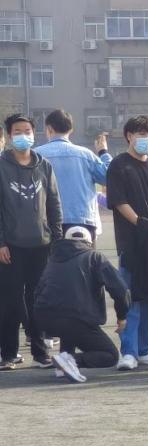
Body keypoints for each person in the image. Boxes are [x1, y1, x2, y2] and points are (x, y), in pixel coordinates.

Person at [105, 115, 148, 371]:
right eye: (142, 134)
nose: (147, 140)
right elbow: (119, 201)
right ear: (129, 136)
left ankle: (144, 349)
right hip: (131, 244)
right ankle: (129, 352)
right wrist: (142, 223)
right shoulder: (119, 166)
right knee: (130, 298)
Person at [0, 113, 63, 370]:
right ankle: (8, 354)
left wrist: (57, 238)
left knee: (38, 300)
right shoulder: (2, 166)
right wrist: (1, 242)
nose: (23, 136)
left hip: (42, 244)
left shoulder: (44, 165)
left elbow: (54, 202)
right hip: (10, 247)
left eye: (27, 131)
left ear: (34, 133)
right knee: (10, 300)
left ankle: (40, 352)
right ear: (8, 136)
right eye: (17, 132)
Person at [33, 226, 129, 382]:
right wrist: (122, 316)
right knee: (110, 355)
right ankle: (70, 360)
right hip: (75, 317)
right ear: (89, 242)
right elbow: (120, 290)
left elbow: (38, 291)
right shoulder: (94, 257)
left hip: (44, 317)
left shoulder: (54, 258)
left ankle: (64, 365)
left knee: (70, 326)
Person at [34, 109, 111, 240]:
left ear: (49, 129)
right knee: (83, 254)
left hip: (45, 220)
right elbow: (109, 176)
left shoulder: (35, 155)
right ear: (71, 130)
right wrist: (103, 152)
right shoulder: (86, 155)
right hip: (82, 221)